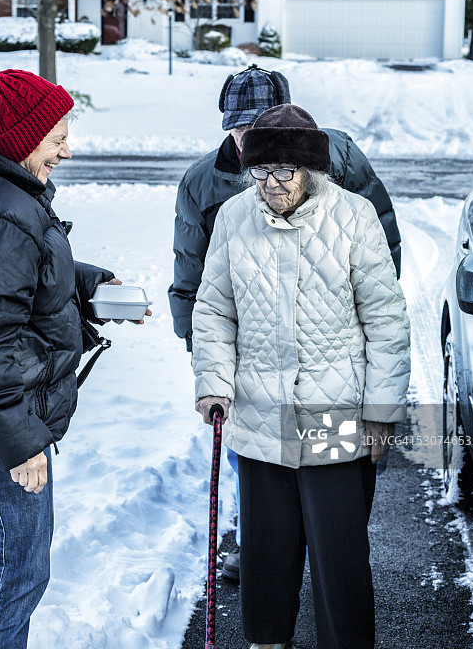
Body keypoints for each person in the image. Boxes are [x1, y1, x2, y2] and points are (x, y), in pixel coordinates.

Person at [0, 68, 150, 649]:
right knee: (15, 571)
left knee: (0, 565)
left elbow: (6, 284)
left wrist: (87, 283)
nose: (67, 150)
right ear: (22, 137)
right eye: (57, 136)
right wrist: (18, 443)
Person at [168, 64, 402, 581]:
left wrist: (364, 328)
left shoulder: (335, 155)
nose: (252, 138)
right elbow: (193, 277)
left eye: (262, 124)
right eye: (240, 126)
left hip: (326, 360)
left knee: (332, 493)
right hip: (254, 357)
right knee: (257, 468)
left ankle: (325, 554)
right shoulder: (204, 182)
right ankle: (263, 546)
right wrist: (207, 361)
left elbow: (381, 234)